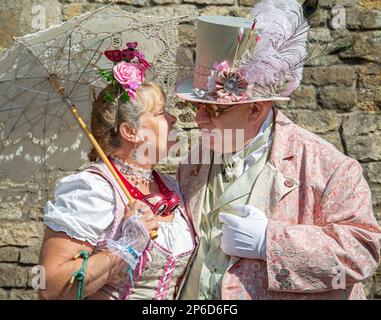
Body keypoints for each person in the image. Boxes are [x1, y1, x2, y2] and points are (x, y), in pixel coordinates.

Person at [174, 0, 381, 300]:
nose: (199, 119)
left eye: (214, 110)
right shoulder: (192, 161)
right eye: (197, 107)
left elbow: (363, 249)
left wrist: (269, 243)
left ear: (256, 108)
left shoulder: (331, 168)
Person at [38, 42, 195, 300]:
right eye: (160, 113)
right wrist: (124, 247)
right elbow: (50, 287)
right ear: (130, 132)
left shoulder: (172, 186)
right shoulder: (94, 190)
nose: (172, 119)